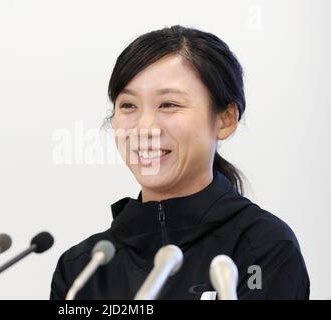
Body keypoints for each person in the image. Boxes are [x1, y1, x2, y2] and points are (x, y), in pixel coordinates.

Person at [50, 25, 310, 299]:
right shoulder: (83, 267)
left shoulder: (263, 247)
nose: (144, 127)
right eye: (128, 105)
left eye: (169, 104)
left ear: (225, 119)